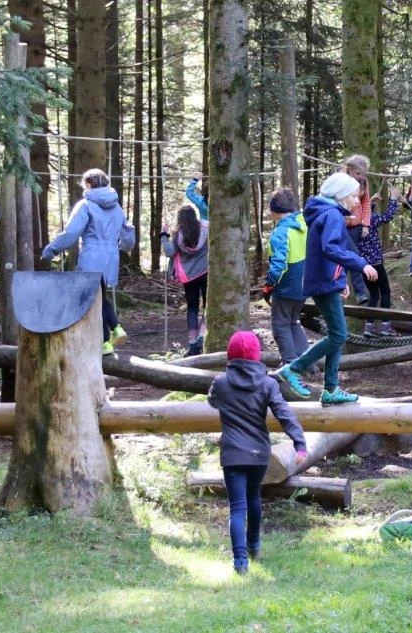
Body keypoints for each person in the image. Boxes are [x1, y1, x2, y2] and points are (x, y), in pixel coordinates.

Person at [270, 172, 379, 405]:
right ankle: (294, 369)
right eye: (352, 195)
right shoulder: (331, 215)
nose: (356, 200)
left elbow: (325, 253)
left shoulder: (325, 212)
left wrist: (340, 281)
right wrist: (361, 264)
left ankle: (331, 389)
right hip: (324, 282)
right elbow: (330, 249)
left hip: (326, 281)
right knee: (339, 334)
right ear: (340, 195)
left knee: (336, 335)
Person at [207, 330, 307, 575]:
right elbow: (284, 412)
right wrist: (299, 442)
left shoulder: (221, 382)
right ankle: (254, 546)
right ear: (257, 355)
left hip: (232, 454)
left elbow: (212, 401)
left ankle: (240, 561)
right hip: (259, 453)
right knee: (254, 499)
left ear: (230, 354)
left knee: (237, 507)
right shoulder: (268, 383)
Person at [41, 168, 136, 355]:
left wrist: (52, 249)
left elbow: (71, 233)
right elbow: (128, 238)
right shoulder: (117, 208)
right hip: (111, 258)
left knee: (92, 299)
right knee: (99, 295)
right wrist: (120, 247)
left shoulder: (85, 205)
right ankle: (116, 328)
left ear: (90, 184)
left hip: (91, 257)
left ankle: (104, 342)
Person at [264, 187, 310, 364]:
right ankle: (307, 363)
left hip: (287, 286)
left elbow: (279, 264)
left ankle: (290, 364)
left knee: (281, 325)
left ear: (274, 210)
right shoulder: (303, 223)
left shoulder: (281, 232)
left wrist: (268, 286)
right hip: (305, 283)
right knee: (294, 321)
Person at [161, 202, 210, 356]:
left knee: (193, 308)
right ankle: (203, 335)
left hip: (189, 277)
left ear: (180, 219)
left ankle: (193, 343)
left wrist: (164, 235)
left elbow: (169, 252)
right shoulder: (205, 229)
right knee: (208, 306)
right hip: (206, 272)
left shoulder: (177, 235)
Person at [361, 180, 401, 336]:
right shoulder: (370, 220)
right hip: (375, 263)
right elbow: (387, 217)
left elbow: (365, 213)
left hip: (363, 264)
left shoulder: (357, 220)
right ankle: (385, 326)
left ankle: (369, 327)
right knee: (385, 292)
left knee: (374, 295)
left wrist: (370, 202)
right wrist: (393, 199)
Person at [336, 155, 372, 305]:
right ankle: (357, 291)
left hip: (357, 226)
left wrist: (365, 224)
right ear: (349, 170)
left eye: (363, 174)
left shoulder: (363, 182)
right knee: (351, 256)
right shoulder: (340, 178)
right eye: (358, 173)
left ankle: (355, 291)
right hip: (341, 225)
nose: (361, 177)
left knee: (351, 255)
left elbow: (366, 202)